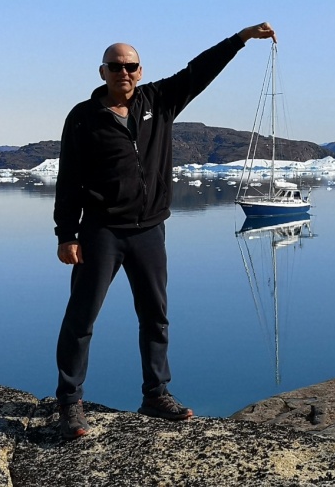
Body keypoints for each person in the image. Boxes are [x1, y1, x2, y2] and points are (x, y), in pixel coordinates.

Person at [53, 22, 277, 439]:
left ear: (140, 71)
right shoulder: (83, 118)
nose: (124, 72)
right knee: (81, 317)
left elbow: (199, 71)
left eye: (130, 66)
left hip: (149, 231)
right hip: (101, 231)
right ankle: (69, 402)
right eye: (115, 66)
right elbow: (69, 179)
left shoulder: (158, 100)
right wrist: (66, 234)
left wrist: (241, 39)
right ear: (102, 71)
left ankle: (155, 395)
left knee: (155, 317)